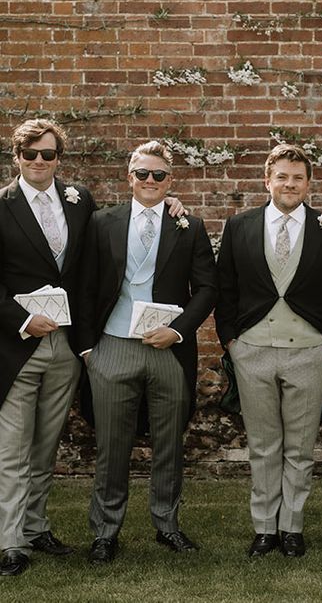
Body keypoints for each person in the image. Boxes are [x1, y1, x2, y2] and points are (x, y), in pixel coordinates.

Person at [76, 140, 217, 564]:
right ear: (129, 177)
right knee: (112, 445)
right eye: (142, 174)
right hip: (112, 347)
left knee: (170, 443)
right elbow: (84, 287)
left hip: (168, 352)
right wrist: (87, 350)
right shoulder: (102, 222)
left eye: (159, 175)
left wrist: (177, 333)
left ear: (170, 180)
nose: (150, 181)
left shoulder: (188, 226)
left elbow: (207, 289)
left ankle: (167, 525)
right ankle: (105, 532)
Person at [215, 143, 322, 559]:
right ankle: (264, 529)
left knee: (300, 447)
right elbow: (226, 290)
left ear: (309, 183)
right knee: (263, 444)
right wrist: (232, 344)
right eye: (282, 177)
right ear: (267, 180)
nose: (289, 185)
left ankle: (292, 527)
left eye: (298, 178)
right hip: (252, 351)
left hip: (310, 352)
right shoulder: (240, 225)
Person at [0, 119, 96, 576]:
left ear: (60, 158)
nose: (40, 162)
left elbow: (105, 249)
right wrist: (22, 320)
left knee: (45, 447)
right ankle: (10, 540)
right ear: (17, 157)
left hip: (65, 347)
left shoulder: (79, 201)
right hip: (15, 346)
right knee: (12, 450)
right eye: (31, 154)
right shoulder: (2, 205)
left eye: (49, 154)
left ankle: (36, 526)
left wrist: (171, 206)